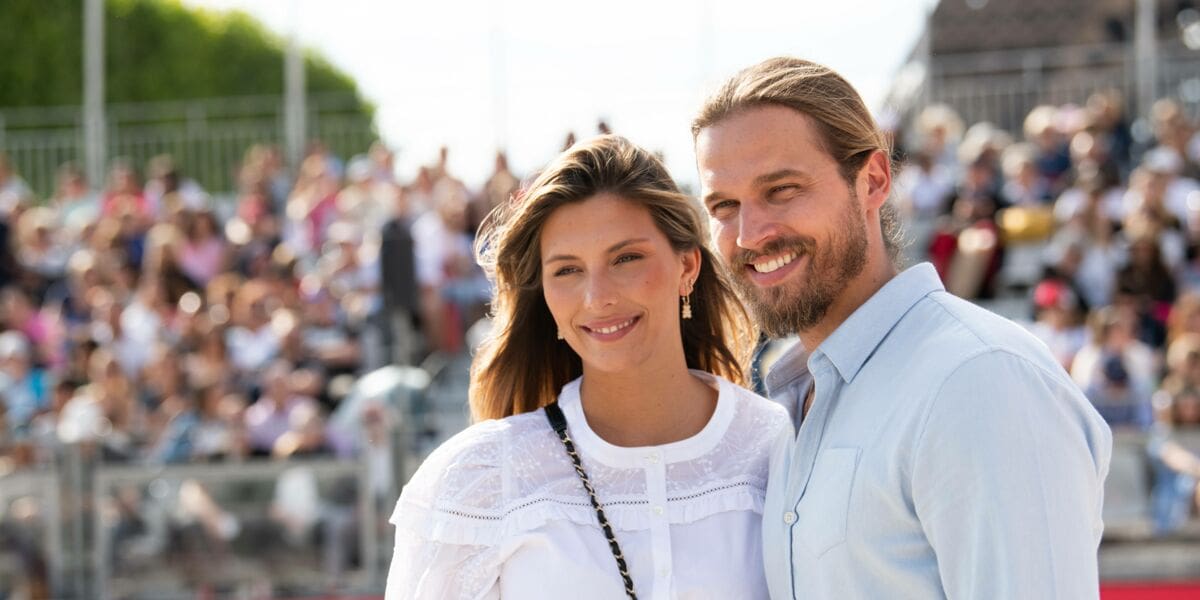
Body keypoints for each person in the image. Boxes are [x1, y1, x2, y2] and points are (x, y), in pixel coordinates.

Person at [692, 56, 1112, 599]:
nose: (749, 234)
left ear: (873, 180)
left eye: (782, 189)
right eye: (724, 205)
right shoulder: (793, 401)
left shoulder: (980, 380)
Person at [385, 135, 788, 598]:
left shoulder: (779, 448)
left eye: (626, 258)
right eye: (567, 270)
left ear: (687, 267)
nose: (597, 298)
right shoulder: (477, 479)